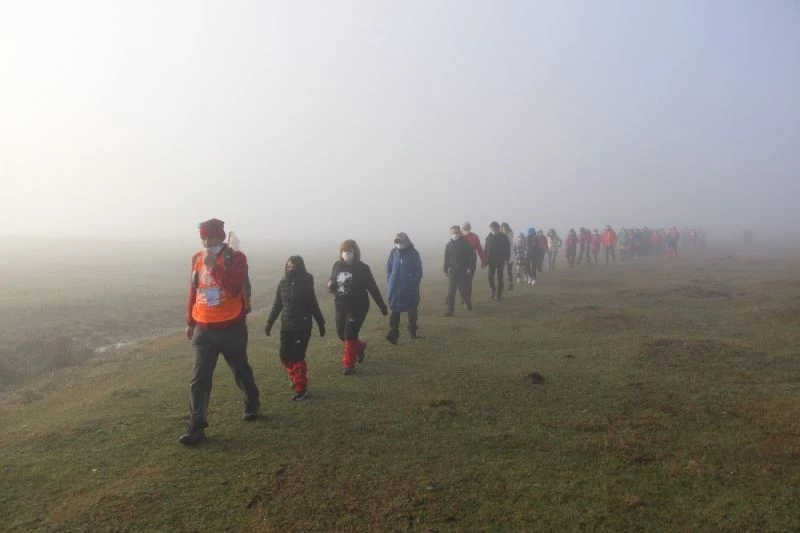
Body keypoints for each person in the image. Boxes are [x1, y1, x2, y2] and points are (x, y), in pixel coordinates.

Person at [180, 218, 261, 445]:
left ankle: (252, 400)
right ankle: (196, 427)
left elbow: (234, 288)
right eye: (203, 238)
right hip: (203, 328)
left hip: (231, 326)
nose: (207, 243)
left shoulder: (236, 258)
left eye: (212, 238)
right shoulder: (196, 259)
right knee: (199, 378)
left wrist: (214, 266)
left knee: (239, 369)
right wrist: (190, 321)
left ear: (221, 237)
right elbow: (193, 290)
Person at [264, 256, 325, 401]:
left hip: (302, 326)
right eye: (288, 266)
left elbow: (313, 305)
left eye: (293, 267)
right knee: (284, 356)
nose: (290, 269)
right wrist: (269, 323)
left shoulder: (306, 284)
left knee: (297, 357)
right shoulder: (283, 283)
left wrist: (321, 323)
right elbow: (277, 305)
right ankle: (297, 377)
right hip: (286, 326)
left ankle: (300, 388)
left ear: (300, 268)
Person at [327, 240, 388, 375]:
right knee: (341, 334)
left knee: (349, 334)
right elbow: (333, 283)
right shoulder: (337, 265)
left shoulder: (363, 268)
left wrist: (382, 306)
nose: (347, 254)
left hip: (358, 307)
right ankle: (359, 347)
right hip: (340, 305)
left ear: (355, 253)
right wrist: (330, 286)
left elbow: (373, 288)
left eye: (350, 252)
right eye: (344, 252)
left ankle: (349, 365)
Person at [386, 232, 423, 344]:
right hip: (395, 288)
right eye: (397, 242)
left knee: (412, 310)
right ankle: (393, 333)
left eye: (401, 241)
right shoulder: (393, 253)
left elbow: (418, 270)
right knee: (395, 311)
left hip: (410, 288)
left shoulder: (413, 253)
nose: (399, 244)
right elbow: (389, 267)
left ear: (406, 241)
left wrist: (413, 282)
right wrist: (390, 279)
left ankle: (413, 330)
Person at [444, 225, 476, 316]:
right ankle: (450, 311)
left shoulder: (466, 244)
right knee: (451, 292)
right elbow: (446, 258)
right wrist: (446, 269)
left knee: (463, 291)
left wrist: (470, 267)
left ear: (460, 233)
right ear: (450, 233)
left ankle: (467, 302)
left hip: (464, 271)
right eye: (453, 233)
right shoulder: (448, 245)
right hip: (453, 272)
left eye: (457, 232)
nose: (455, 234)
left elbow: (472, 257)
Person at [460, 222, 486, 306]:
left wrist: (483, 261)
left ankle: (467, 300)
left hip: (471, 262)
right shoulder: (458, 236)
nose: (466, 229)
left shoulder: (474, 237)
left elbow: (479, 249)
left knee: (468, 281)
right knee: (460, 282)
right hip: (459, 262)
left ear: (470, 228)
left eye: (468, 228)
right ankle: (464, 297)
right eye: (465, 228)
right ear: (462, 228)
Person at [484, 221, 510, 301]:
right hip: (491, 260)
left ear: (497, 228)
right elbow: (486, 249)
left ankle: (499, 294)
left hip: (501, 260)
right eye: (491, 227)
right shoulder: (488, 237)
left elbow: (507, 249)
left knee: (500, 277)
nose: (493, 229)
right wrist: (484, 259)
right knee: (490, 276)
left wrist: (507, 259)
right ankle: (493, 289)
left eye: (494, 227)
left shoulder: (503, 237)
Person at [501, 222, 515, 291]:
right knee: (501, 270)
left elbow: (509, 245)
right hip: (503, 255)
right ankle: (502, 284)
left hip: (510, 255)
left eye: (505, 228)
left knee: (508, 270)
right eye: (503, 228)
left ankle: (510, 284)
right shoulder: (502, 235)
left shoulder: (509, 235)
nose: (504, 229)